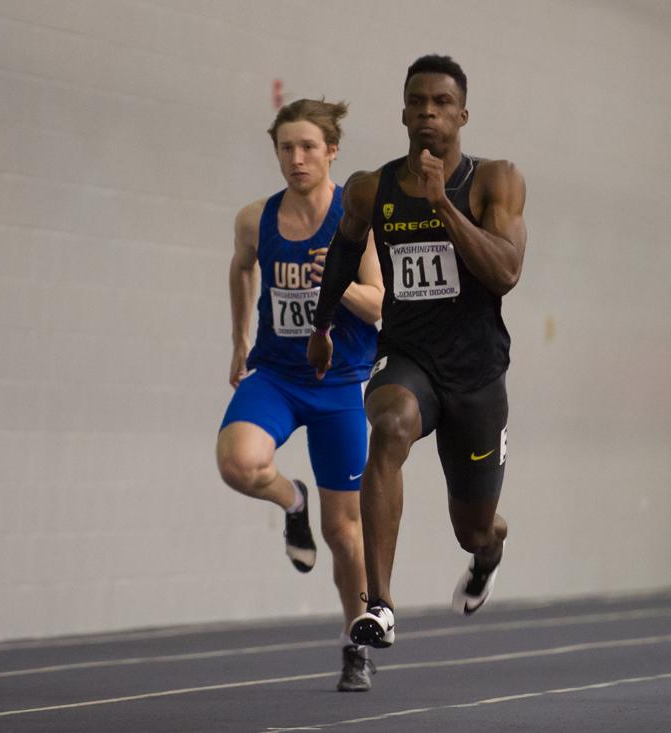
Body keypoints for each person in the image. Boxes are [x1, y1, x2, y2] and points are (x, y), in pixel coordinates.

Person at [307, 54, 527, 650]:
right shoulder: (370, 188)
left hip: (477, 373)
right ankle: (379, 605)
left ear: (462, 114)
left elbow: (505, 272)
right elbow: (346, 252)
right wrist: (322, 326)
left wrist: (441, 206)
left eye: (441, 104)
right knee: (389, 426)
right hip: (408, 356)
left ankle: (490, 551)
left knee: (473, 527)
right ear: (403, 111)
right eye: (418, 102)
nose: (428, 113)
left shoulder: (494, 180)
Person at [215, 100, 384, 691]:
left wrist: (330, 281)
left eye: (308, 146)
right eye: (286, 148)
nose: (297, 158)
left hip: (340, 384)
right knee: (237, 463)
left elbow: (381, 303)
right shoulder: (254, 219)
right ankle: (292, 503)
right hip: (279, 377)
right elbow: (241, 269)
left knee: (344, 533)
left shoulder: (354, 218)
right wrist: (239, 341)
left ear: (332, 149)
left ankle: (354, 640)